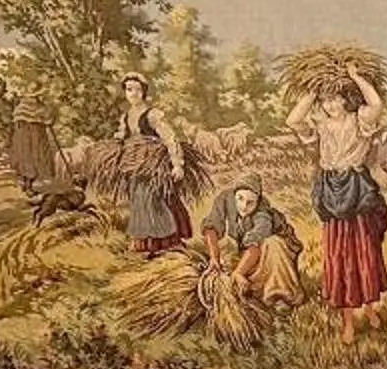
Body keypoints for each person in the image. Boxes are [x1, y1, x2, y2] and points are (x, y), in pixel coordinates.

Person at [287, 70, 387, 341]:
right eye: (326, 101)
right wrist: (312, 90)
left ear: (347, 100)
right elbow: (293, 119)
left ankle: (369, 307)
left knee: (365, 252)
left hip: (357, 191)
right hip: (332, 193)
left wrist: (356, 77)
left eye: (335, 99)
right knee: (339, 255)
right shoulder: (321, 125)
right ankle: (347, 320)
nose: (330, 106)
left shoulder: (360, 120)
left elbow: (376, 104)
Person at [116, 71, 192, 256]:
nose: (133, 94)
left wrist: (177, 164)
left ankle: (166, 241)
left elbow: (170, 138)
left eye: (137, 89)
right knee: (138, 200)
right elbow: (124, 136)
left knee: (152, 199)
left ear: (144, 92)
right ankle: (144, 242)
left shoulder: (152, 115)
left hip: (153, 164)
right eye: (129, 89)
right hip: (134, 164)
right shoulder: (126, 116)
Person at [201, 181, 306, 307]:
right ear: (234, 195)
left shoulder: (263, 214)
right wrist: (214, 257)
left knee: (273, 243)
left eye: (250, 202)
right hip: (250, 252)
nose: (244, 206)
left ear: (257, 202)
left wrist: (238, 273)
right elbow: (210, 227)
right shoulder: (225, 198)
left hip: (277, 252)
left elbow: (254, 245)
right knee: (228, 252)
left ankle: (279, 296)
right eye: (240, 199)